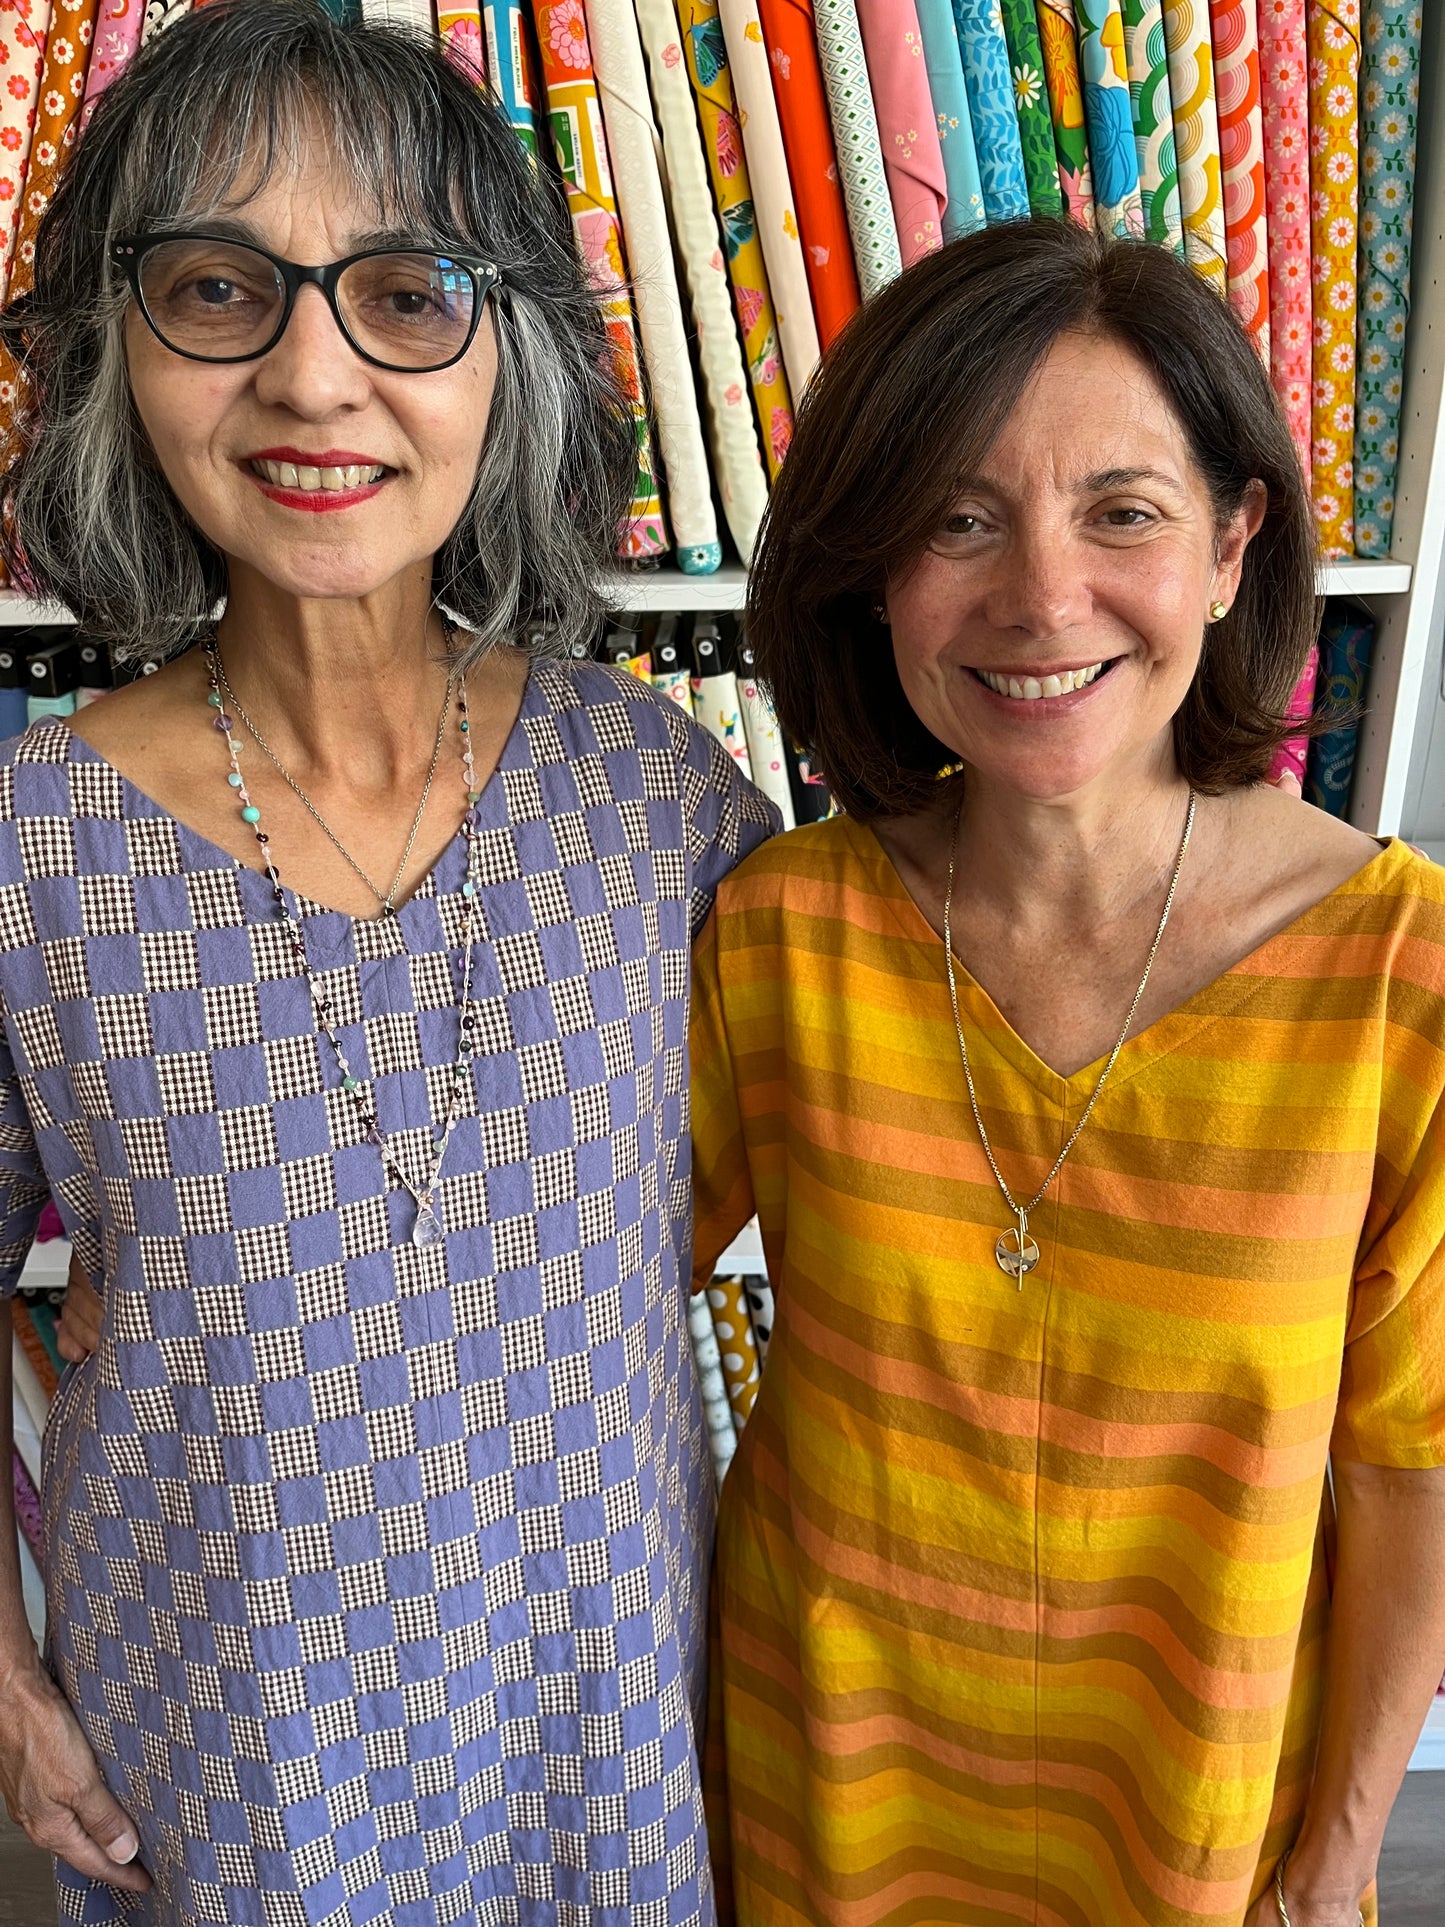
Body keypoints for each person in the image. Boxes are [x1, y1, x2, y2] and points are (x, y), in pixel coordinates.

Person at [0, 6, 773, 1923]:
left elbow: (812, 1178)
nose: (313, 377)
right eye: (217, 290)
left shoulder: (658, 798)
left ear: (505, 353)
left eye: (406, 293)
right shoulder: (28, 850)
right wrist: (5, 1688)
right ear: (119, 353)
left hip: (607, 1740)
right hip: (232, 1754)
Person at [690, 222, 1445, 1927]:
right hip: (822, 1809)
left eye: (1124, 511)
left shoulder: (1399, 976)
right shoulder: (777, 933)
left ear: (1233, 544)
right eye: (958, 518)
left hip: (1192, 1826)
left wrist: (1332, 1866)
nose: (1039, 599)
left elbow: (1408, 1471)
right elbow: (559, 1312)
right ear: (870, 566)